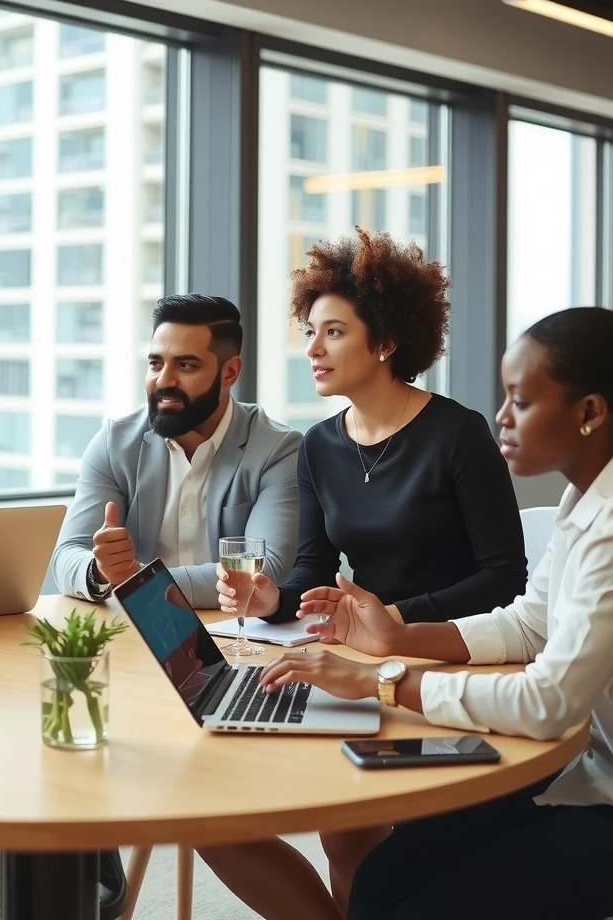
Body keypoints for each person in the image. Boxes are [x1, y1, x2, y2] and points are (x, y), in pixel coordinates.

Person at [200, 229, 527, 919]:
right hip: (355, 656)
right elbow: (319, 568)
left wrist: (400, 621)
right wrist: (271, 596)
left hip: (453, 659)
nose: (311, 349)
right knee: (333, 835)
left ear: (384, 342)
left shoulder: (458, 434)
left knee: (376, 842)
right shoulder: (320, 445)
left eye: (333, 332)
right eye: (309, 332)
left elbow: (505, 578)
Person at [259, 305, 613, 920]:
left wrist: (382, 680)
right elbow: (529, 624)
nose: (501, 417)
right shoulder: (580, 496)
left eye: (521, 401)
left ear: (589, 413)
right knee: (376, 882)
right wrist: (395, 637)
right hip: (582, 765)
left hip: (598, 785)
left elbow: (549, 701)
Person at [46, 293, 301, 608]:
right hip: (136, 633)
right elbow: (67, 555)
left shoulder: (278, 449)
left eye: (185, 365)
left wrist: (135, 579)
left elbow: (263, 572)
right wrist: (100, 571)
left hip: (234, 633)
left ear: (230, 372)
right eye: (155, 363)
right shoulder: (115, 444)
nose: (163, 380)